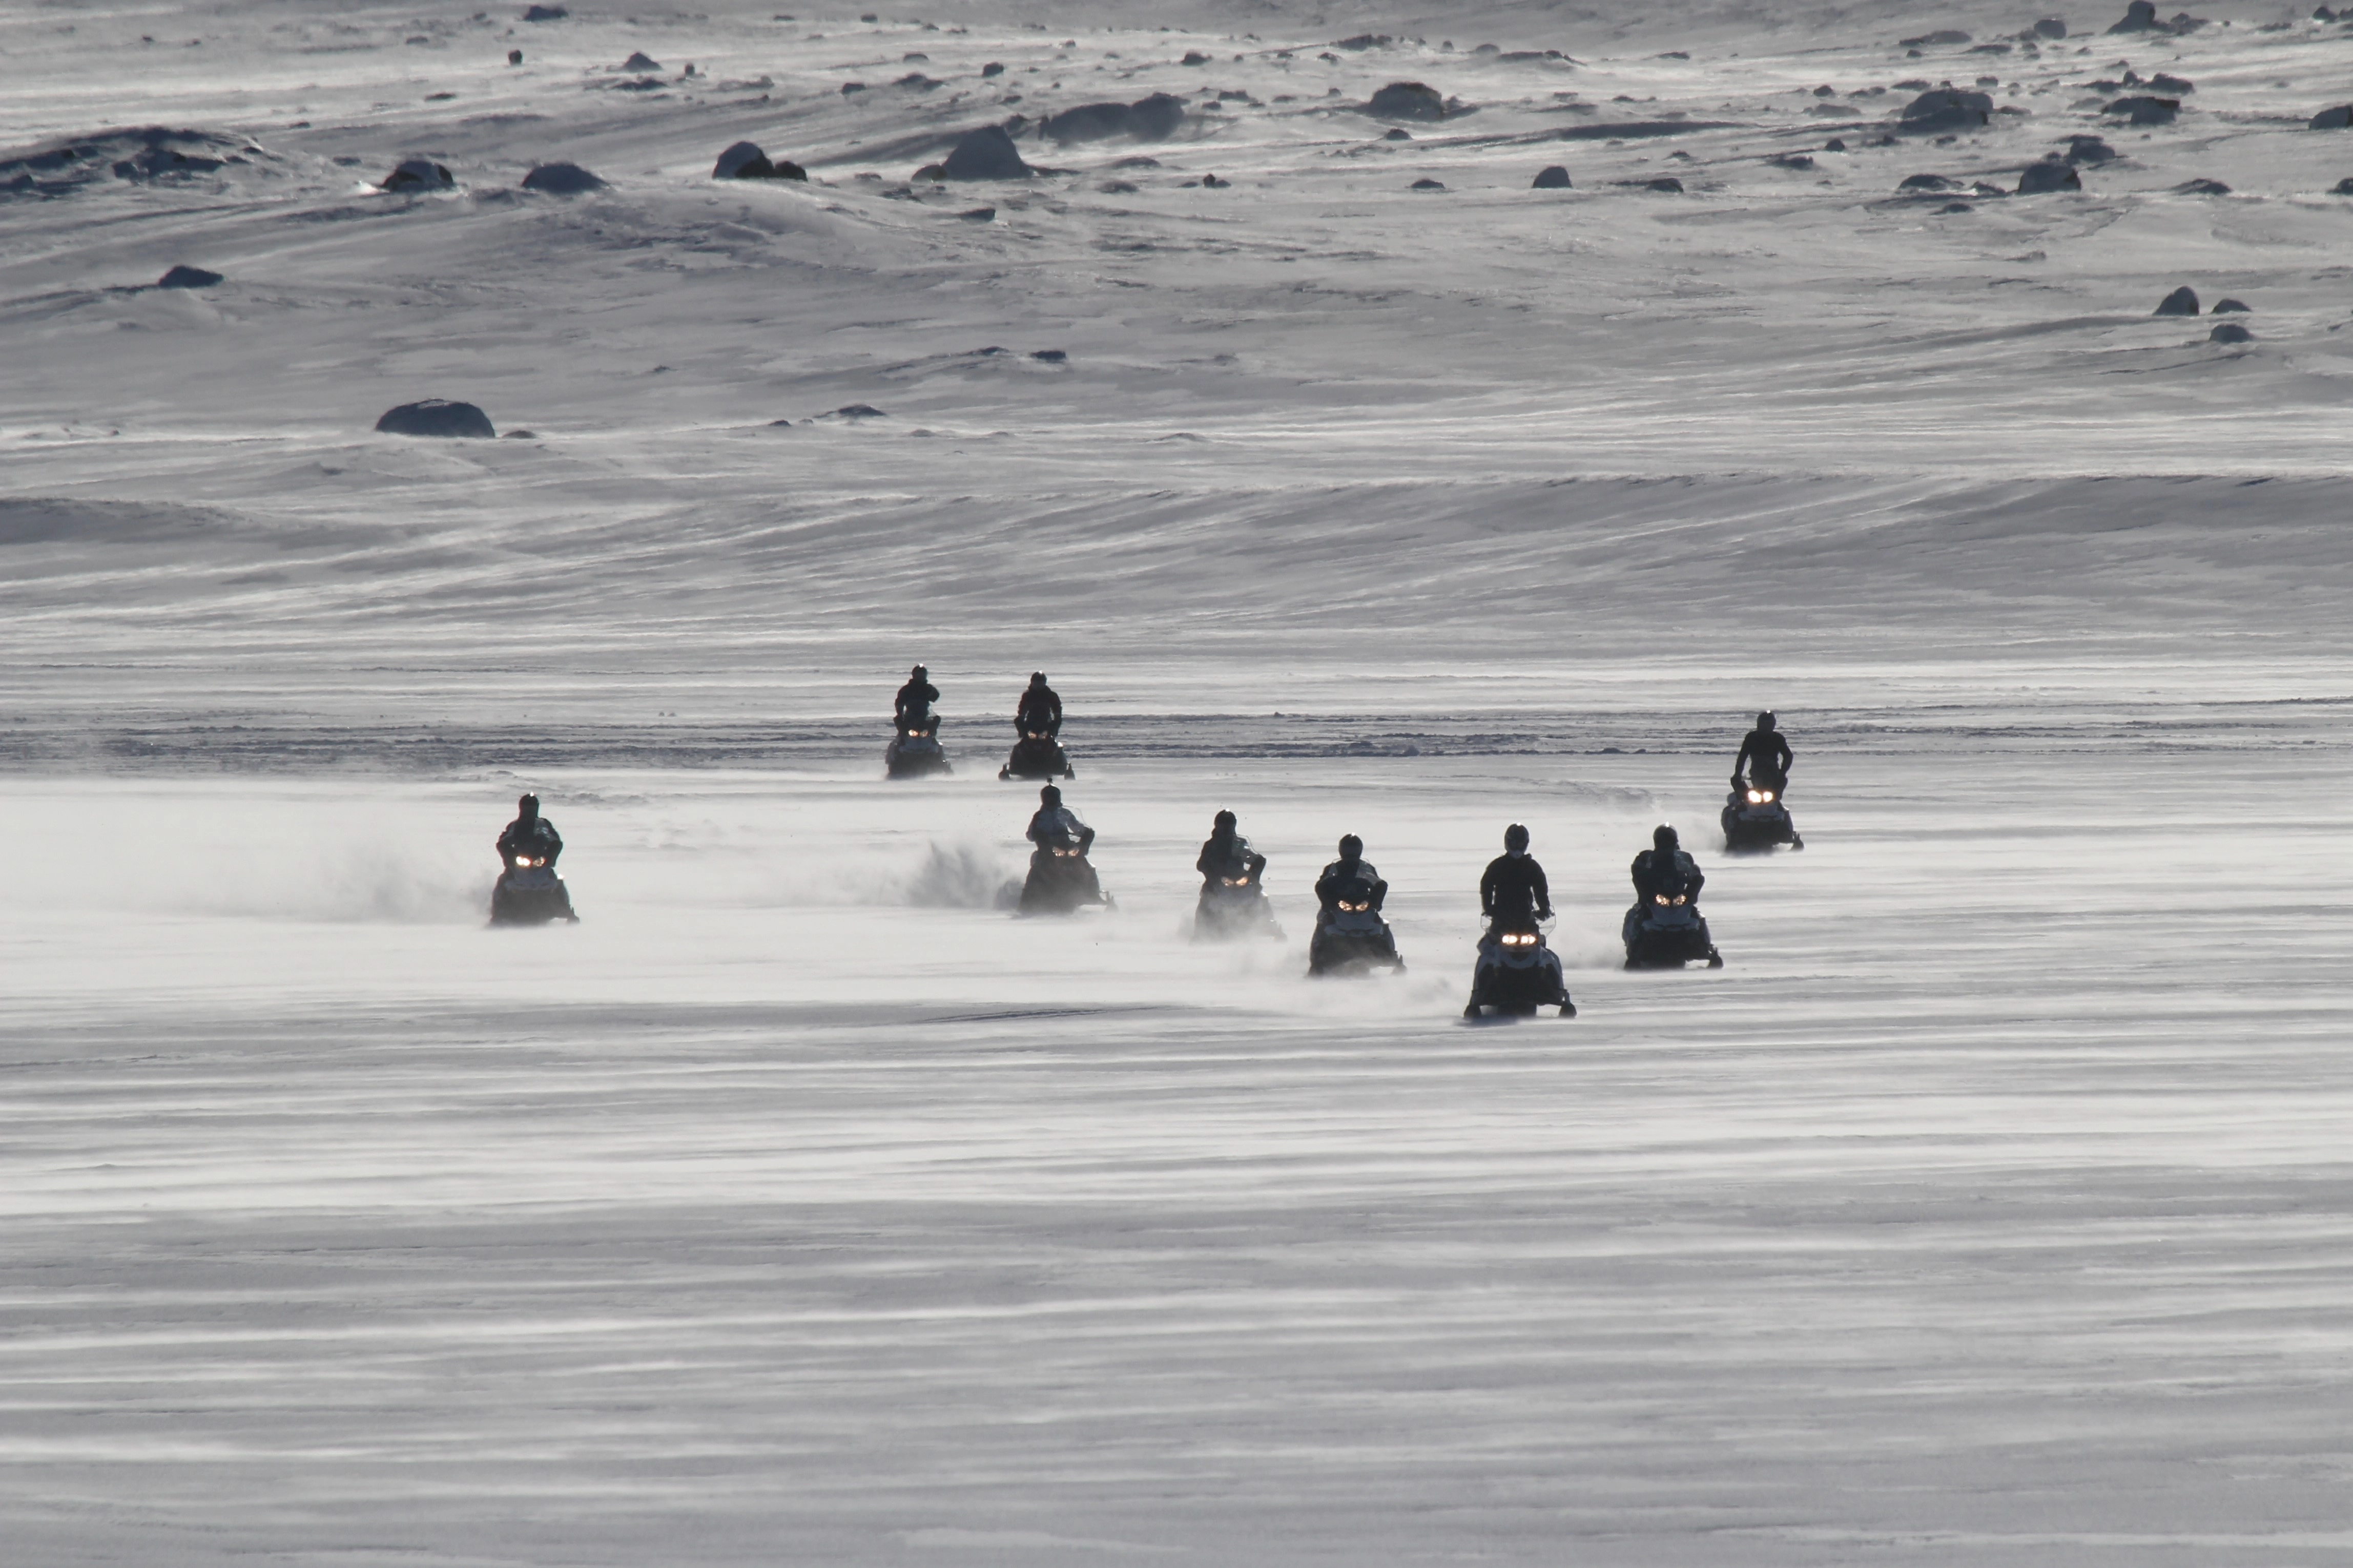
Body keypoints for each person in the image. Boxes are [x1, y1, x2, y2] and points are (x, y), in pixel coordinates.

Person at [1480, 824, 1552, 926]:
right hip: (1501, 918)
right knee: (1489, 941)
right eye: (1514, 843)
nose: (1517, 847)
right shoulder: (1497, 866)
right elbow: (1486, 886)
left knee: (1539, 939)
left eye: (1520, 844)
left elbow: (1541, 889)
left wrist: (1544, 908)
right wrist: (1488, 908)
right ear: (1508, 842)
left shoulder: (1532, 867)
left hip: (1526, 918)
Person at [1314, 834, 1388, 917]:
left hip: (1362, 904)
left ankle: (1384, 930)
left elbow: (1379, 883)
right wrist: (1327, 903)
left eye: (1354, 851)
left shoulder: (1366, 869)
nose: (1351, 854)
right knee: (1323, 919)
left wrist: (1376, 903)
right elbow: (1321, 886)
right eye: (1348, 851)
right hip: (1338, 906)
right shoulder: (1333, 869)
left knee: (1379, 923)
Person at [1631, 824, 1704, 903]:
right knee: (1636, 914)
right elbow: (1637, 870)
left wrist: (1692, 890)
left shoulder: (1682, 858)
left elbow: (1695, 874)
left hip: (1679, 898)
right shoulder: (1647, 857)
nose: (1666, 843)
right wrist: (1642, 876)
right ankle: (1644, 904)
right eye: (1663, 840)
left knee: (1696, 914)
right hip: (1652, 900)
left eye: (1669, 840)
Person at [1196, 809, 1266, 885]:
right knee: (1208, 891)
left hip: (1240, 880)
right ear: (1217, 825)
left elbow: (1248, 853)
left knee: (1257, 890)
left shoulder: (1239, 844)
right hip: (1218, 882)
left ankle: (1255, 887)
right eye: (1223, 824)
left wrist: (1256, 861)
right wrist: (1209, 871)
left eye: (1229, 824)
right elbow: (1201, 864)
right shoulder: (1211, 845)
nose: (1226, 827)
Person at [1732, 710, 1793, 795]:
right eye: (1764, 724)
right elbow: (1742, 757)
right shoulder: (1752, 737)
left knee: (1782, 782)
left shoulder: (1777, 738)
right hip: (1756, 771)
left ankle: (1776, 801)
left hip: (1773, 773)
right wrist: (1738, 774)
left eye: (1769, 724)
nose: (1766, 727)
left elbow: (1788, 756)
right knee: (1735, 781)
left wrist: (1782, 773)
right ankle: (1744, 800)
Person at [497, 792, 563, 868]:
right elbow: (503, 841)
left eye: (532, 808)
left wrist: (550, 857)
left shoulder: (542, 824)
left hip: (540, 861)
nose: (529, 811)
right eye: (527, 808)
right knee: (505, 879)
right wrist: (510, 857)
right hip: (519, 862)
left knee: (554, 879)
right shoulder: (515, 825)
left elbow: (554, 839)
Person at [1025, 783, 1093, 855]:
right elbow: (1030, 835)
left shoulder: (1064, 813)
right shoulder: (1039, 816)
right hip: (1046, 850)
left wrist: (1086, 831)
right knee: (1039, 863)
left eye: (1053, 798)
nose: (1051, 800)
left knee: (1081, 860)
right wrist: (1037, 834)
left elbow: (1075, 825)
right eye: (1049, 798)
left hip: (1066, 846)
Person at [894, 664, 939, 734]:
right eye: (918, 675)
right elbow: (899, 702)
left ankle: (932, 738)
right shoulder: (907, 689)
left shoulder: (927, 688)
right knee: (898, 720)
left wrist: (931, 691)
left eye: (922, 675)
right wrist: (900, 713)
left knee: (937, 719)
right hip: (910, 717)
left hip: (924, 715)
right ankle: (902, 738)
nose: (920, 677)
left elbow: (935, 697)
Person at [1016, 672, 1063, 738]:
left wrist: (1057, 720)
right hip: (1031, 722)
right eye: (1036, 683)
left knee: (1052, 737)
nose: (1038, 686)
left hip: (1046, 722)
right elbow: (1022, 709)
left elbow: (1057, 709)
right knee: (1018, 723)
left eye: (1040, 683)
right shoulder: (1028, 695)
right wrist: (1021, 719)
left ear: (1044, 683)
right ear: (1032, 683)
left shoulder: (1051, 695)